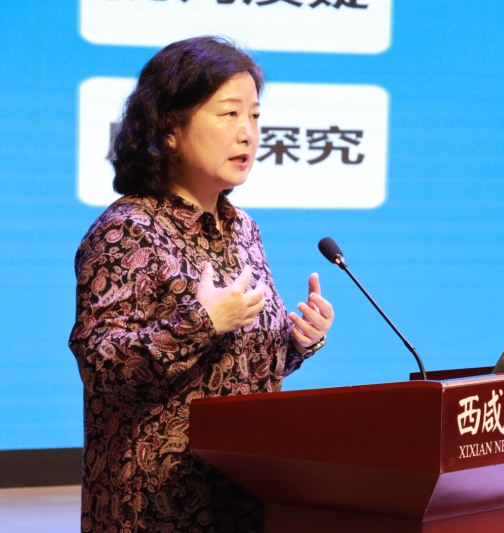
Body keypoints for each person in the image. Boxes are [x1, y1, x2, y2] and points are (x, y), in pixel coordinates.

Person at [68, 36, 334, 532]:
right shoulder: (127, 230)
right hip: (157, 508)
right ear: (169, 129)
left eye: (254, 116)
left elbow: (233, 366)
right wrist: (202, 322)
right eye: (229, 114)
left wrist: (296, 341)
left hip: (245, 495)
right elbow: (102, 367)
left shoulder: (243, 228)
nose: (248, 133)